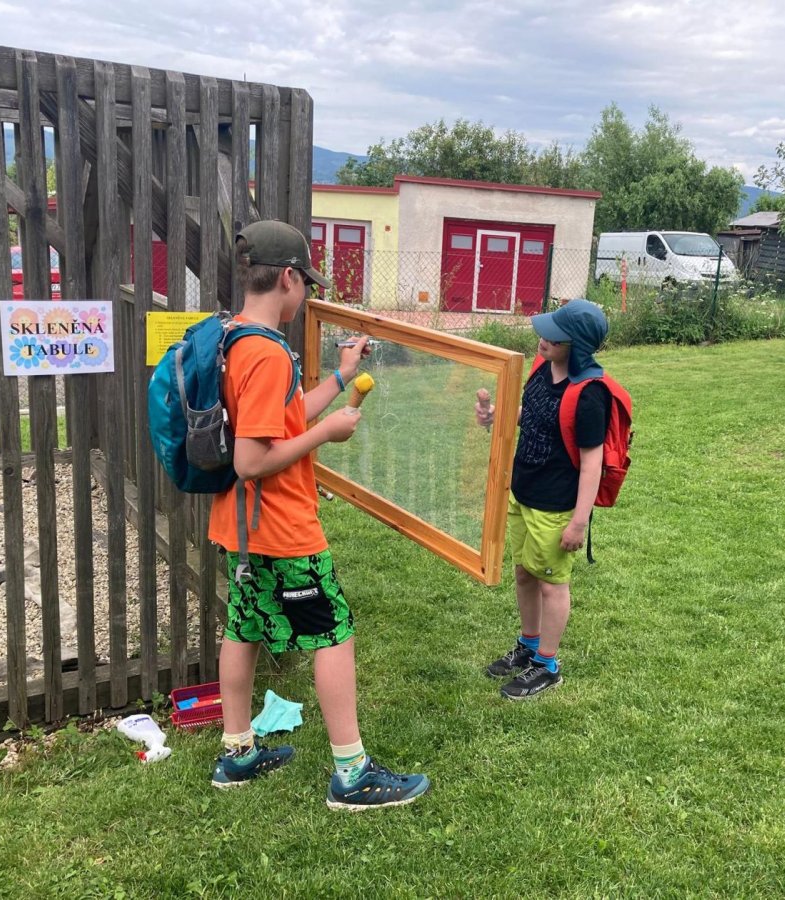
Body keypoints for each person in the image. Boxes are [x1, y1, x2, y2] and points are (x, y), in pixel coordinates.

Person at [206, 219, 430, 809]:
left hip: (240, 525)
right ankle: (352, 774)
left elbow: (277, 419)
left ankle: (237, 754)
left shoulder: (233, 338)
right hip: (280, 526)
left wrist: (339, 378)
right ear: (287, 277)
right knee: (334, 633)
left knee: (244, 628)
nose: (306, 294)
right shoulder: (267, 354)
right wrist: (327, 433)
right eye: (306, 283)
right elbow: (252, 460)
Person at [476, 299, 611, 699]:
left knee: (552, 585)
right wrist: (498, 415)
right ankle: (529, 644)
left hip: (555, 505)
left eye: (554, 335)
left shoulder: (589, 395)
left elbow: (592, 464)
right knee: (524, 573)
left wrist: (578, 523)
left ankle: (547, 666)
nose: (543, 338)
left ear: (577, 345)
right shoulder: (543, 368)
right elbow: (531, 413)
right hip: (523, 492)